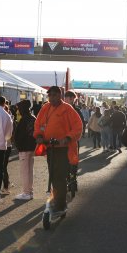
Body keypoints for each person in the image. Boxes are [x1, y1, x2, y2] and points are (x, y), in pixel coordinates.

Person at [34, 86, 83, 214]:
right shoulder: (45, 108)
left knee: (59, 177)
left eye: (55, 95)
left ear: (60, 96)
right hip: (50, 147)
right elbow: (38, 124)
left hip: (63, 149)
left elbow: (78, 126)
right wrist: (39, 135)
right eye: (50, 95)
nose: (52, 98)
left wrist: (67, 137)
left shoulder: (68, 109)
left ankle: (61, 205)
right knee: (53, 175)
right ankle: (57, 200)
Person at [13, 99, 36, 200]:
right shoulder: (33, 118)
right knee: (29, 170)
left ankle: (26, 192)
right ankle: (29, 191)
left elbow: (20, 135)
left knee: (25, 171)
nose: (18, 110)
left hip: (24, 148)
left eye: (19, 108)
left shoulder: (24, 120)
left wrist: (18, 145)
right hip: (31, 147)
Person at [1, 104, 14, 195]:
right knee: (3, 166)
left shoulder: (8, 120)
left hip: (6, 145)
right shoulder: (9, 119)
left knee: (3, 167)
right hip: (6, 145)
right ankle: (7, 183)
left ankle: (6, 186)